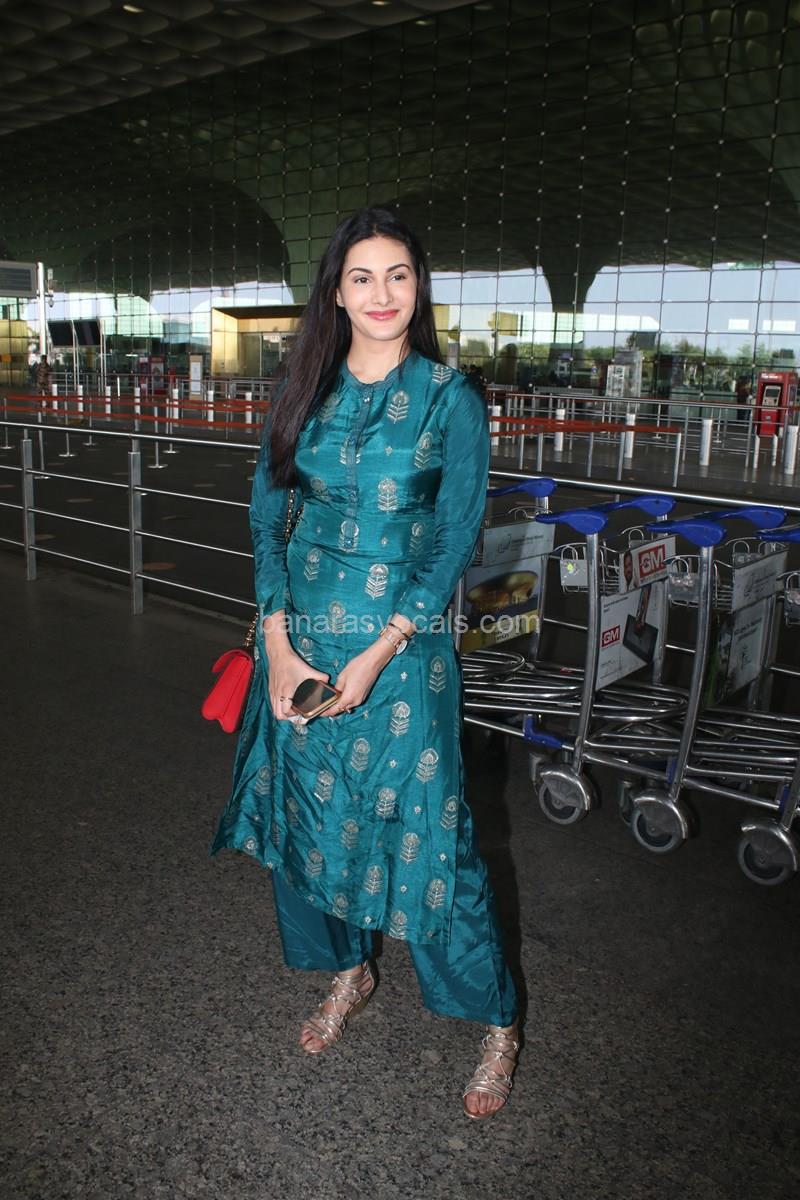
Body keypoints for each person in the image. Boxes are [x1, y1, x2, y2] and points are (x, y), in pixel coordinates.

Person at [211, 208, 519, 1119]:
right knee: (310, 821)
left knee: (432, 838)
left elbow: (454, 539)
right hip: (300, 645)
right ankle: (349, 971)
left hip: (403, 653)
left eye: (398, 275)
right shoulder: (301, 389)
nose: (382, 294)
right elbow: (268, 520)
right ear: (336, 294)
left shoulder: (450, 400)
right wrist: (276, 646)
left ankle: (495, 1019)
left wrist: (382, 651)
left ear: (419, 287)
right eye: (362, 277)